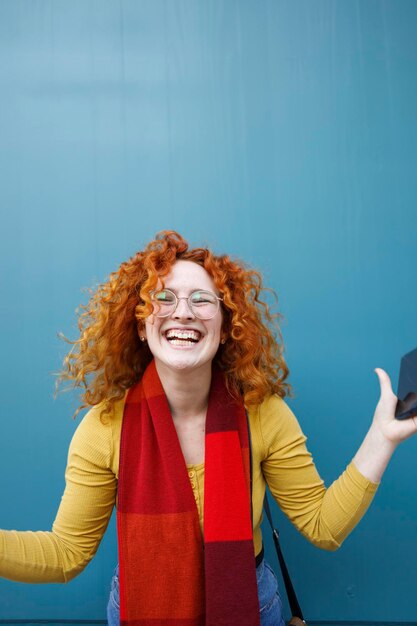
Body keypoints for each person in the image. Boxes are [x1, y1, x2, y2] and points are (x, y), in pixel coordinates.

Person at [1, 230, 416, 626]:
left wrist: (382, 438)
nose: (183, 311)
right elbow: (66, 553)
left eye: (202, 300)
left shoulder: (263, 412)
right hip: (142, 599)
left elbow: (323, 527)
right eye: (163, 298)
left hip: (249, 603)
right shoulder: (104, 427)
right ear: (142, 324)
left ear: (225, 326)